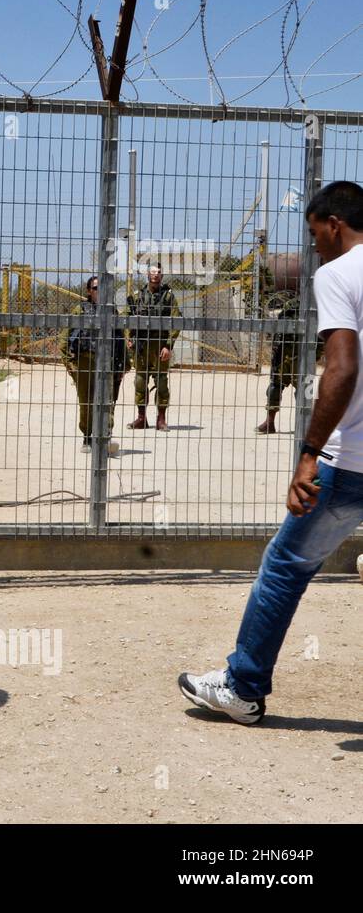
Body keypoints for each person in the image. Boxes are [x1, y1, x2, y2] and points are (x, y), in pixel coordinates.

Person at [180, 180, 363, 723]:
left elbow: (343, 368)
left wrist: (309, 453)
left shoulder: (338, 274)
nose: (314, 248)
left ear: (334, 223)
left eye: (314, 235)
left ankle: (243, 686)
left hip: (349, 459)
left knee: (286, 564)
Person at [255, 254, 323, 435]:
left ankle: (307, 425)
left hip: (303, 356)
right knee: (275, 387)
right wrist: (276, 350)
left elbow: (322, 336)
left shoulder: (316, 309)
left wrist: (314, 355)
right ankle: (269, 422)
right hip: (284, 356)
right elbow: (278, 330)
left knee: (305, 389)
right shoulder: (292, 306)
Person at [60, 276, 127, 454]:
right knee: (86, 401)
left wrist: (124, 366)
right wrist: (70, 365)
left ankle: (105, 436)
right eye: (96, 288)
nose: (100, 291)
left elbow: (120, 338)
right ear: (89, 291)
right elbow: (64, 338)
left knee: (108, 401)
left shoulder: (112, 311)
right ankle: (88, 437)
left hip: (108, 361)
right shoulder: (80, 310)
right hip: (85, 360)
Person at [126, 263, 182, 431]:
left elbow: (176, 321)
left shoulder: (168, 297)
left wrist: (168, 345)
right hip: (141, 346)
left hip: (160, 346)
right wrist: (129, 337)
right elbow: (126, 317)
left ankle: (161, 419)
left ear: (162, 276)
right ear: (147, 275)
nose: (155, 275)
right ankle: (141, 418)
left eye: (158, 272)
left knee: (162, 382)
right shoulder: (137, 297)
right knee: (140, 382)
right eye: (152, 272)